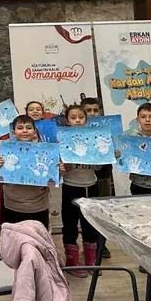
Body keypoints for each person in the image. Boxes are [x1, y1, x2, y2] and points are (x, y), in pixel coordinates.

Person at [60, 105, 102, 277]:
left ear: (86, 119)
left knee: (90, 224)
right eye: (73, 117)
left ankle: (91, 260)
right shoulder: (63, 140)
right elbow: (64, 169)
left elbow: (98, 168)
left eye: (81, 117)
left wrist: (103, 154)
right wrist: (68, 159)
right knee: (70, 224)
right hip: (70, 186)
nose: (77, 120)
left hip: (91, 186)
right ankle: (72, 261)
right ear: (67, 121)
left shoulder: (95, 138)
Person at [0, 115, 54, 230]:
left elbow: (52, 178)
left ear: (35, 132)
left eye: (28, 127)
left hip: (38, 206)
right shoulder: (7, 150)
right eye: (20, 128)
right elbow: (0, 177)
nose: (25, 131)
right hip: (12, 205)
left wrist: (58, 171)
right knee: (14, 238)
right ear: (13, 133)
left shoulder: (45, 152)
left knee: (39, 238)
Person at [81, 96, 112, 259]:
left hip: (103, 177)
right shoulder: (75, 131)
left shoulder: (109, 130)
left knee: (102, 214)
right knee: (85, 215)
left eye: (95, 110)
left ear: (100, 112)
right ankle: (88, 245)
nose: (92, 114)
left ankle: (101, 246)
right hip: (82, 179)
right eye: (88, 111)